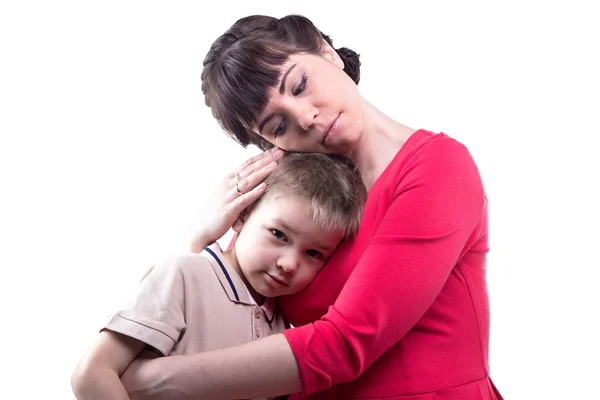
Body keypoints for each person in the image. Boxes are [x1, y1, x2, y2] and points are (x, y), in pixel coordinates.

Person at [120, 14, 503, 400]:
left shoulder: (438, 168)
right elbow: (221, 322)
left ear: (326, 52)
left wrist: (149, 381)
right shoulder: (304, 203)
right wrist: (199, 240)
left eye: (299, 85)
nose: (305, 118)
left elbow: (345, 344)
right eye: (278, 126)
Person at [70, 152, 367, 400]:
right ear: (241, 216)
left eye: (314, 253)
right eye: (278, 234)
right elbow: (92, 374)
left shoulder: (281, 325)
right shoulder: (183, 274)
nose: (290, 263)